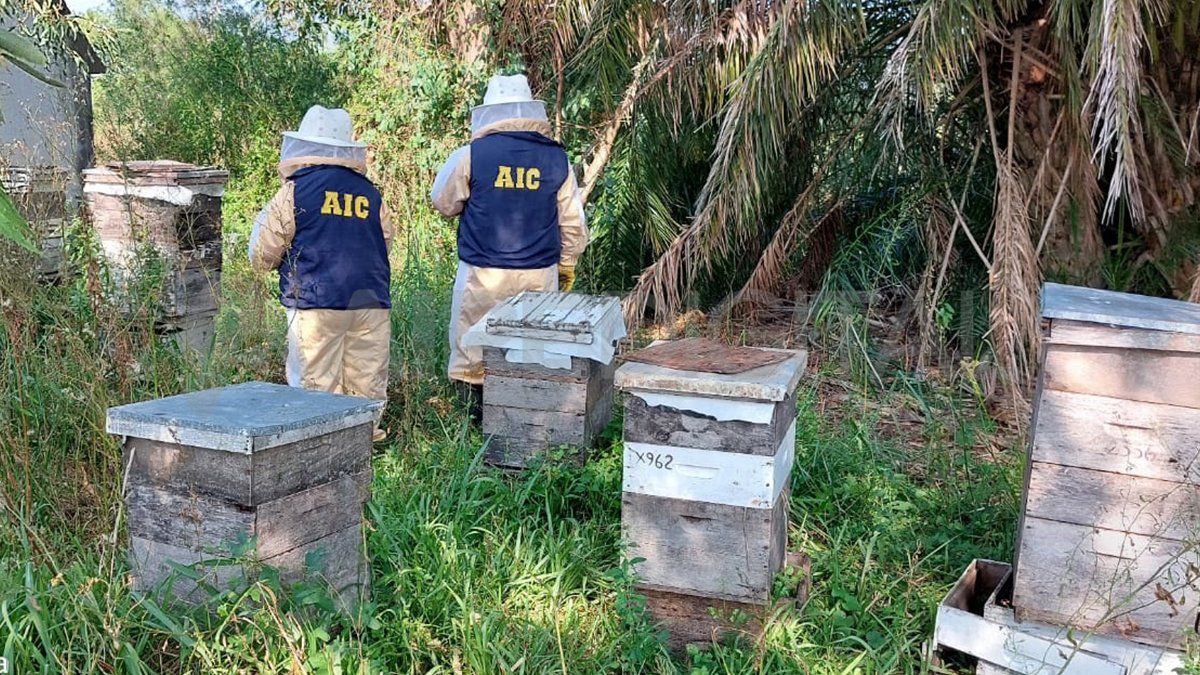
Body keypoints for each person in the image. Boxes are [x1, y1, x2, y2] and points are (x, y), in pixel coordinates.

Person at [430, 74, 588, 408]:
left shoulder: (471, 154)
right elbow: (572, 222)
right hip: (538, 274)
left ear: (489, 112)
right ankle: (523, 417)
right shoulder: (555, 158)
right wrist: (568, 262)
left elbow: (443, 202)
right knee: (530, 348)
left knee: (471, 348)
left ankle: (470, 421)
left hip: (481, 274)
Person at [249, 105, 393, 441]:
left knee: (315, 384)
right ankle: (361, 444)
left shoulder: (296, 190)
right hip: (370, 300)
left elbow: (264, 249)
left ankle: (320, 448)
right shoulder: (369, 192)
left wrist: (270, 265)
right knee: (366, 379)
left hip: (316, 303)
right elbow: (384, 240)